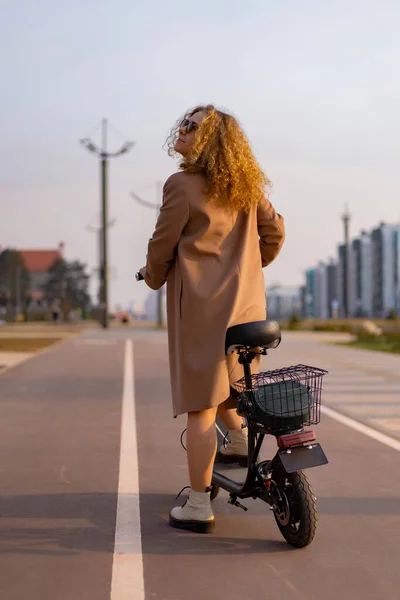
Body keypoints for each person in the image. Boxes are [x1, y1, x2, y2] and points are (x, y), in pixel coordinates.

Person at [139, 105, 285, 533]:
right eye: (183, 122)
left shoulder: (181, 186)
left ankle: (199, 504)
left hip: (203, 312)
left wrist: (152, 278)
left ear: (210, 141)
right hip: (249, 312)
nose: (181, 129)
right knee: (234, 385)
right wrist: (252, 266)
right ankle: (238, 443)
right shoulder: (248, 186)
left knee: (201, 407)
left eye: (192, 126)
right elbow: (273, 234)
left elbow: (162, 243)